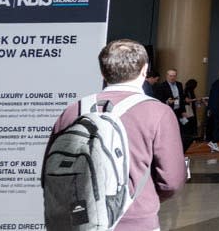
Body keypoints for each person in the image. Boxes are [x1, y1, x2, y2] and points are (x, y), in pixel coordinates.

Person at [46, 40, 187, 231]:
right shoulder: (158, 112)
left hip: (76, 221)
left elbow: (49, 172)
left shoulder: (73, 110)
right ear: (144, 70)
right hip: (135, 221)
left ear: (103, 72)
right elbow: (171, 181)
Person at [152, 68, 193, 152]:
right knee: (170, 132)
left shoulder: (179, 85)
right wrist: (167, 101)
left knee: (185, 132)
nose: (172, 78)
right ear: (167, 76)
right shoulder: (161, 86)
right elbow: (158, 100)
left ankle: (180, 150)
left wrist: (183, 111)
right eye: (170, 76)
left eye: (174, 76)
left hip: (178, 112)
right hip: (168, 112)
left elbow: (181, 99)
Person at [183, 78, 201, 146]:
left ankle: (191, 137)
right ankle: (190, 137)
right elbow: (187, 100)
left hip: (190, 108)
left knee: (190, 123)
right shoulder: (187, 91)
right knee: (190, 123)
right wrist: (196, 99)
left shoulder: (189, 91)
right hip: (188, 109)